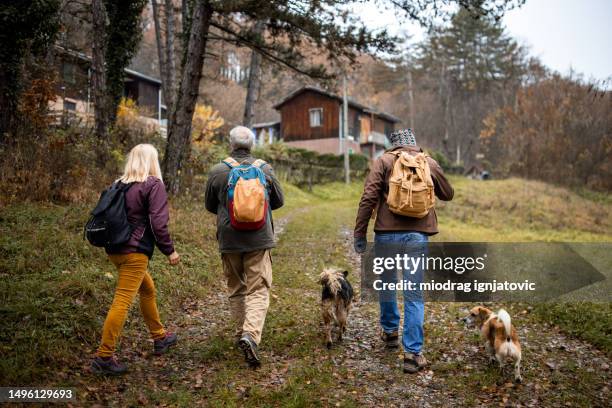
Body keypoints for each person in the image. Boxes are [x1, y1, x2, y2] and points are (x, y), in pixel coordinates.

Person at [353, 129, 454, 374]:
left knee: (387, 284)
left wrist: (360, 232)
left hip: (386, 235)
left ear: (394, 145)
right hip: (417, 236)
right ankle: (412, 353)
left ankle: (390, 333)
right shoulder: (427, 162)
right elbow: (448, 194)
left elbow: (368, 197)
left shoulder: (384, 161)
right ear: (414, 144)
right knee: (414, 292)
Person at [91, 144, 180, 376]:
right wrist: (169, 251)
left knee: (148, 289)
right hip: (134, 253)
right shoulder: (153, 184)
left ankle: (160, 337)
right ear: (152, 161)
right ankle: (104, 356)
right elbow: (158, 224)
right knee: (122, 301)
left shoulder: (118, 184)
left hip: (114, 250)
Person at [204, 126, 284, 367]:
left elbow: (209, 205)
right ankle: (251, 334)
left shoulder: (218, 170)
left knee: (237, 287)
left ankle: (241, 333)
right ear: (251, 145)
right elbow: (279, 201)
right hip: (259, 238)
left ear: (231, 144)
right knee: (258, 289)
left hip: (229, 239)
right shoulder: (264, 168)